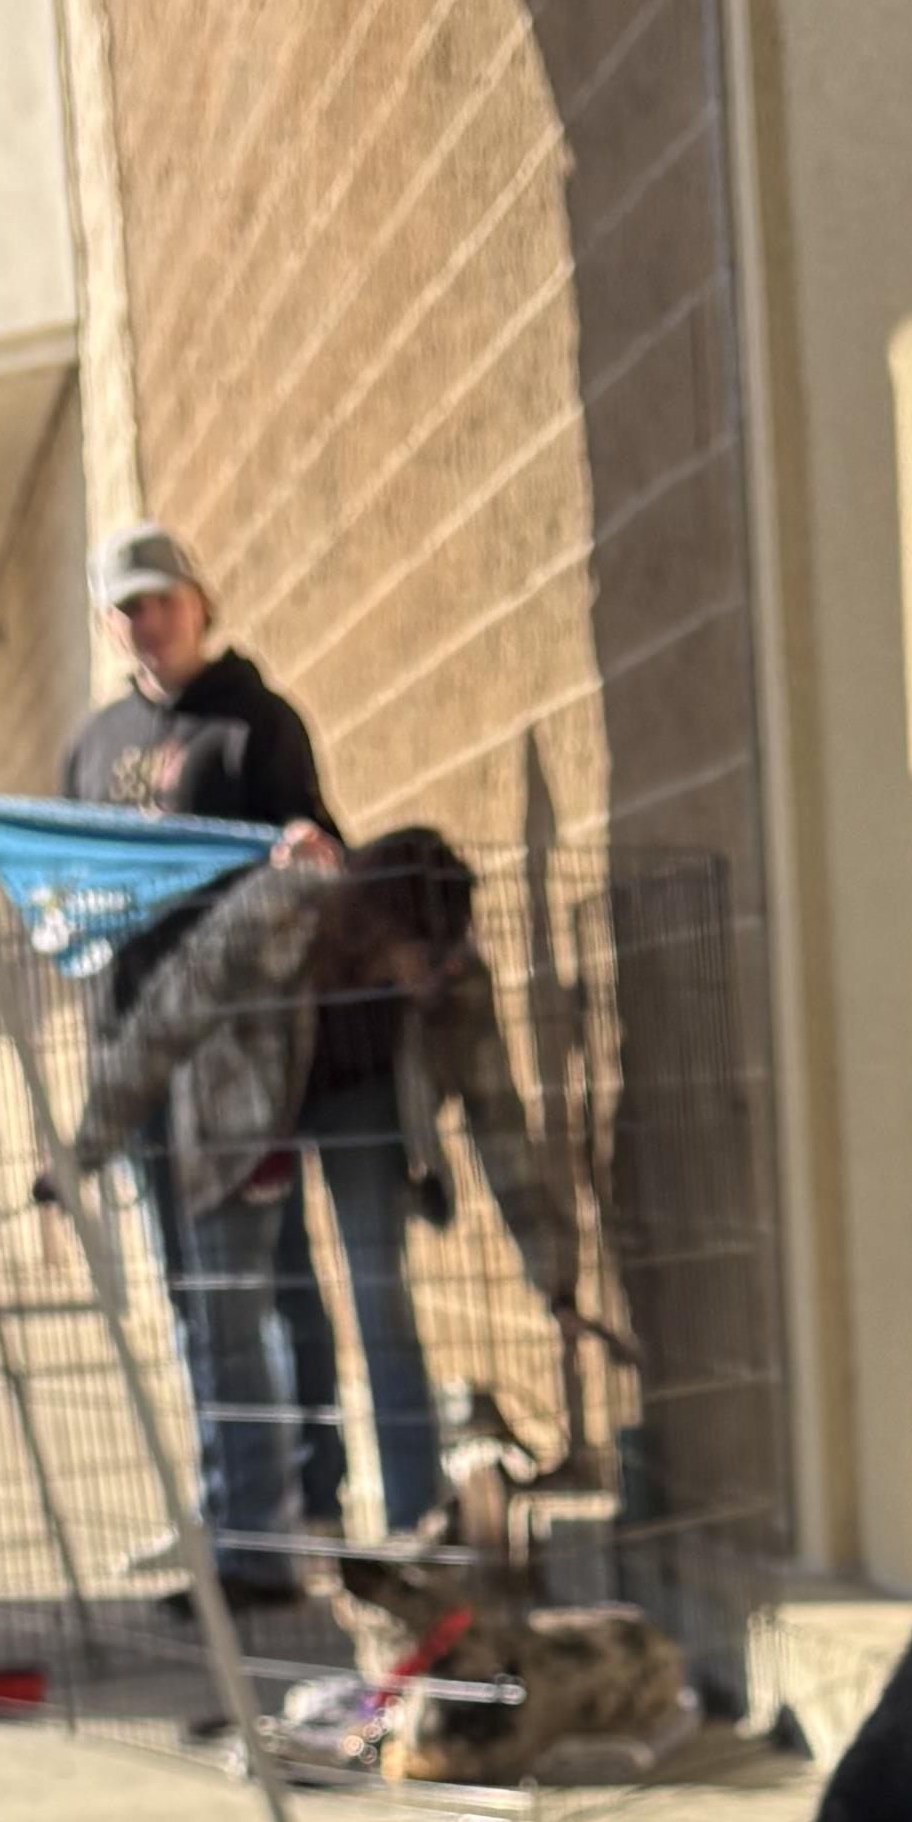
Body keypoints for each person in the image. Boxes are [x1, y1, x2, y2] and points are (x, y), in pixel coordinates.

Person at [81, 828, 557, 1580]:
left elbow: (502, 1127)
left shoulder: (452, 985)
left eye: (450, 954)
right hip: (240, 1112)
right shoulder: (274, 915)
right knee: (231, 1315)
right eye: (427, 953)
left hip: (362, 1103)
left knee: (381, 1299)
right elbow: (160, 1026)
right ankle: (256, 1553)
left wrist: (553, 1279)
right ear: (378, 923)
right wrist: (83, 1148)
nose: (438, 975)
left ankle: (413, 1541)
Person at [57, 519, 328, 832]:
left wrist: (304, 841)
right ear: (106, 624)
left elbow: (312, 850)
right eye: (131, 608)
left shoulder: (260, 721)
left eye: (165, 599)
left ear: (202, 602)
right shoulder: (89, 746)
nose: (152, 622)